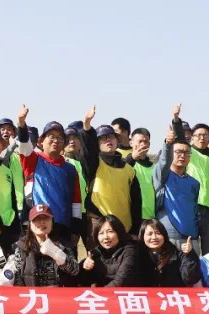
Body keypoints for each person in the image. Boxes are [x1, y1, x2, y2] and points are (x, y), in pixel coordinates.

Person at [14, 106, 83, 249]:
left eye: (60, 138)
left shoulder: (70, 169)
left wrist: (76, 230)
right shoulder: (32, 159)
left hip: (62, 229)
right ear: (41, 141)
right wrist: (21, 123)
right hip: (35, 225)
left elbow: (76, 201)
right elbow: (24, 145)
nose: (55, 140)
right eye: (51, 136)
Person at [79, 215, 142, 314]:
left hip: (126, 299)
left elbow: (121, 280)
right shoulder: (96, 253)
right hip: (104, 298)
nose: (105, 237)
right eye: (101, 233)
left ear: (119, 232)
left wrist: (98, 296)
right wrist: (84, 267)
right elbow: (82, 280)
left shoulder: (130, 251)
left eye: (110, 231)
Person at [77, 111, 142, 244]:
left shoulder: (129, 170)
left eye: (111, 137)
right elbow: (87, 150)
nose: (108, 140)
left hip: (124, 227)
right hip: (99, 224)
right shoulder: (94, 164)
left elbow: (136, 203)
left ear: (117, 140)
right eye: (103, 138)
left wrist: (135, 230)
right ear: (96, 143)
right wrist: (87, 126)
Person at [139, 219, 200, 314]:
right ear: (142, 237)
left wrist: (189, 255)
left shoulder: (176, 253)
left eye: (158, 233)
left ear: (164, 235)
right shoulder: (137, 255)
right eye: (149, 234)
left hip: (172, 304)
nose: (154, 237)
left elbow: (190, 278)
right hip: (148, 305)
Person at [174, 107, 209, 254]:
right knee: (191, 247)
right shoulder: (190, 152)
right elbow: (179, 138)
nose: (202, 138)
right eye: (199, 135)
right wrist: (176, 119)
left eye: (205, 135)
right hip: (194, 205)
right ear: (192, 137)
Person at [0, 204, 79, 287]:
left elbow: (75, 270)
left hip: (58, 293)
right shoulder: (21, 246)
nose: (42, 222)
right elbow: (18, 279)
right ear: (30, 225)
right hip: (32, 293)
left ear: (52, 222)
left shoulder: (62, 244)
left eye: (46, 218)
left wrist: (55, 252)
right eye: (36, 219)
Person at [153, 123, 201, 252]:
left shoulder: (194, 183)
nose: (182, 155)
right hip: (168, 235)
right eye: (178, 152)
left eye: (186, 153)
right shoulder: (163, 176)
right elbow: (163, 163)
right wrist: (168, 144)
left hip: (191, 238)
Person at [126, 127, 156, 227]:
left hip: (152, 217)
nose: (143, 144)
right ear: (131, 143)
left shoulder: (154, 167)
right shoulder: (125, 164)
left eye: (146, 141)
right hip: (132, 217)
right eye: (140, 141)